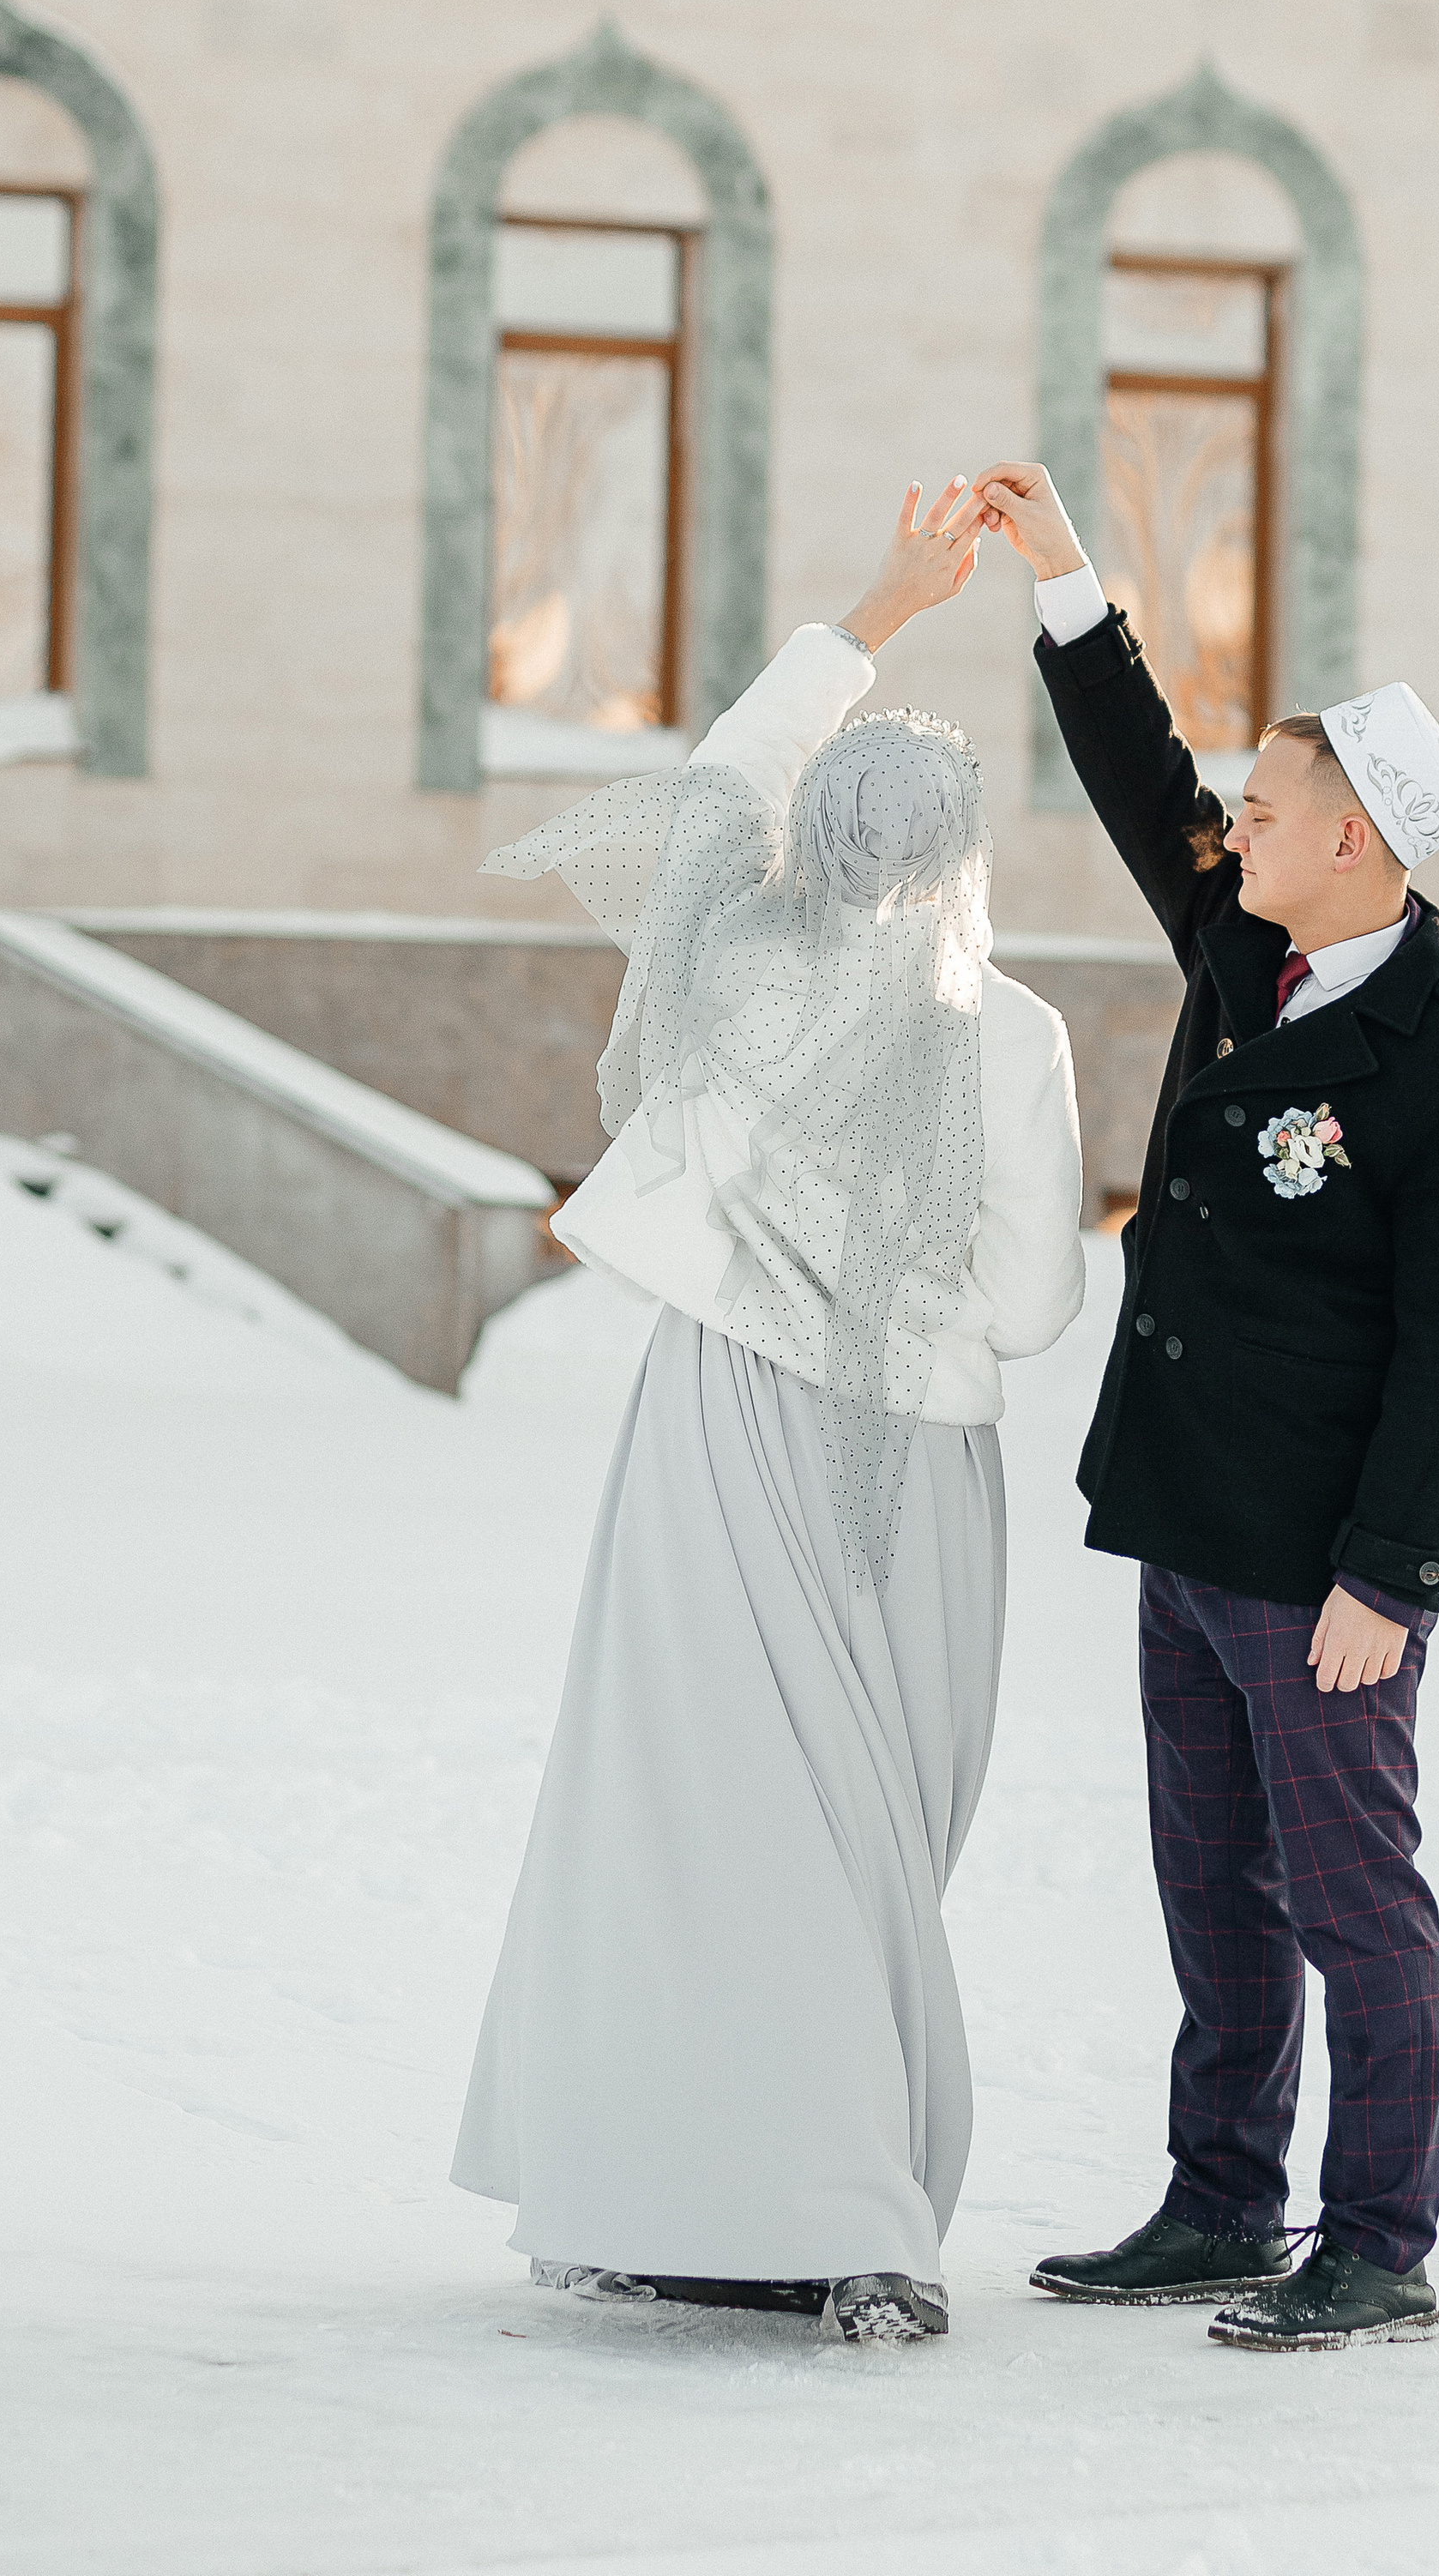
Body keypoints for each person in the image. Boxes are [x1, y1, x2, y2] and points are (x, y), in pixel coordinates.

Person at [451, 481, 1087, 2347]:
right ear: (964, 851)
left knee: (693, 1795)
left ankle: (683, 2182)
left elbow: (715, 787)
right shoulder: (1014, 1034)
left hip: (721, 1428)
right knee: (864, 1817)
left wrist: (877, 610)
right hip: (910, 1450)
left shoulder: (726, 959)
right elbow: (1039, 1300)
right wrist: (899, 1291)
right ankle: (852, 2217)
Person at [970, 458, 1439, 2354]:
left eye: (1269, 803)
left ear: (1362, 840)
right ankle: (1221, 2200)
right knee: (1208, 1887)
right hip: (1186, 1514)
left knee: (1347, 1897)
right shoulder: (1243, 947)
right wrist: (1064, 575)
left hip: (1324, 1564)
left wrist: (1385, 1578)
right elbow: (1144, 784)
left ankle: (1375, 2239)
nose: (1230, 821)